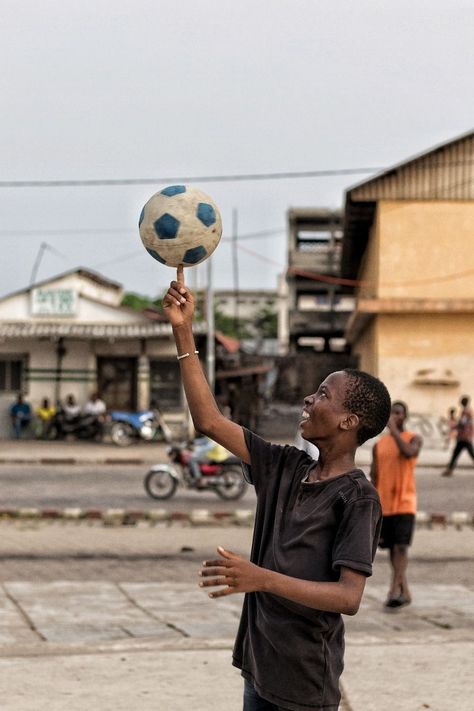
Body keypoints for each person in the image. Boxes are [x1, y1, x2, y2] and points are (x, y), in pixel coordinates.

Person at [163, 267, 391, 711]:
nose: (309, 398)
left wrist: (260, 578)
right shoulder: (284, 466)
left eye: (323, 394)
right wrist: (183, 330)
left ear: (349, 421)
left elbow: (348, 597)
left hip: (304, 683)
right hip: (259, 667)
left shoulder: (357, 499)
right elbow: (209, 420)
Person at [370, 401, 422, 609]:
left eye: (398, 413)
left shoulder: (413, 439)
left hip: (405, 502)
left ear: (405, 417)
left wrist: (394, 431)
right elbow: (374, 476)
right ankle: (405, 591)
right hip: (386, 503)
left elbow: (409, 453)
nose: (394, 416)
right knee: (393, 548)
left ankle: (393, 590)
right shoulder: (378, 445)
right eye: (391, 413)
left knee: (401, 546)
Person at [441, 396, 474, 477]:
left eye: (462, 401)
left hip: (464, 437)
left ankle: (449, 470)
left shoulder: (466, 411)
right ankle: (449, 469)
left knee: (458, 453)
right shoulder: (468, 411)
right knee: (457, 453)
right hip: (465, 436)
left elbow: (463, 422)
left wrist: (454, 426)